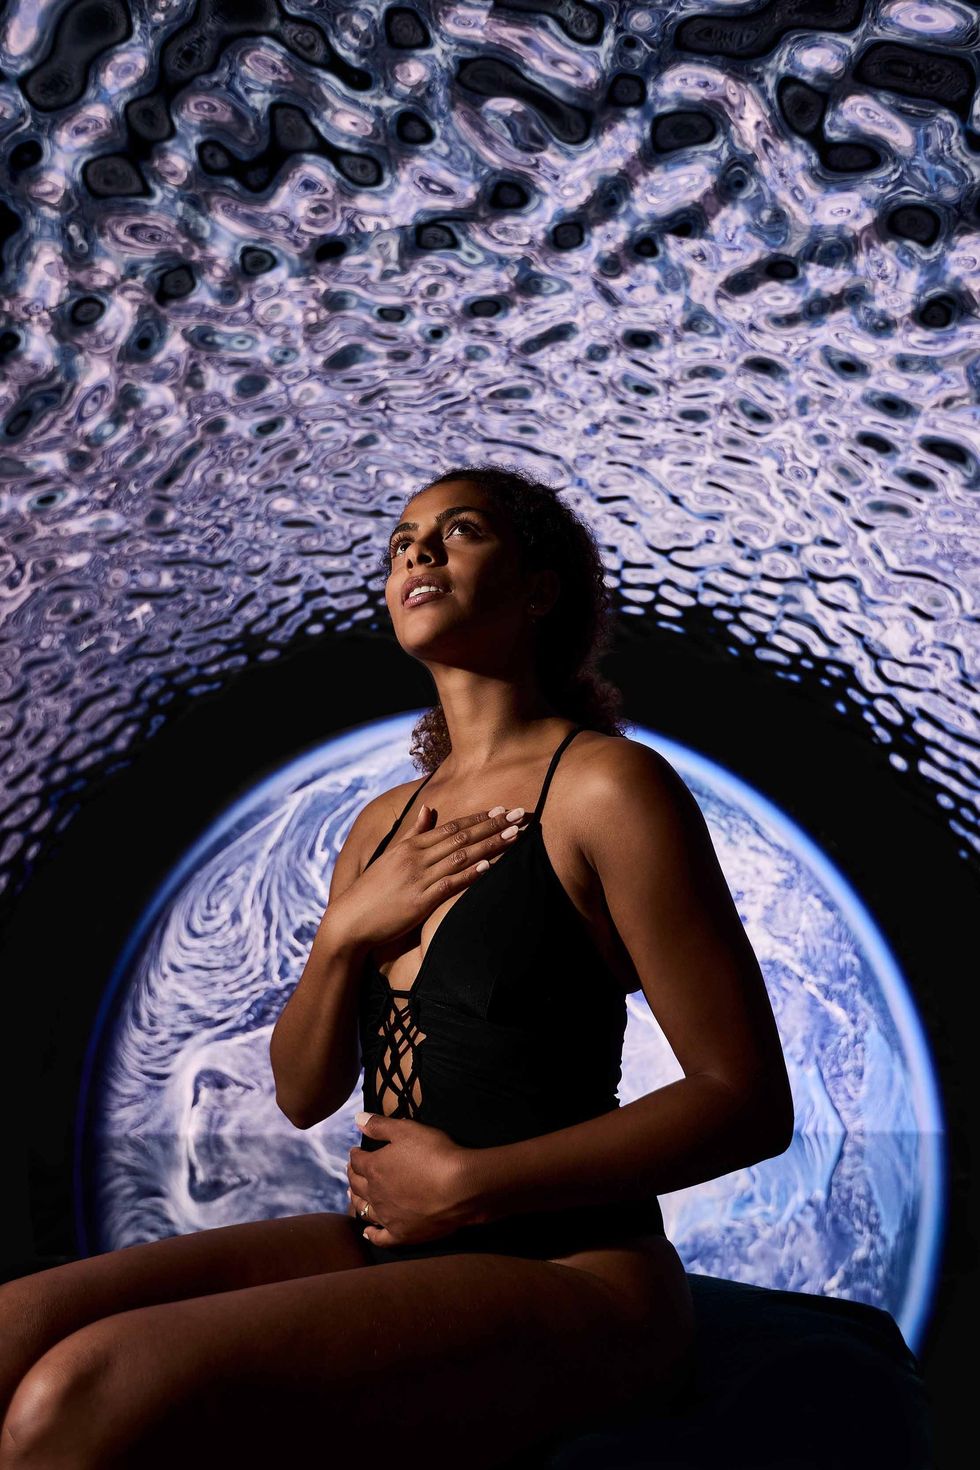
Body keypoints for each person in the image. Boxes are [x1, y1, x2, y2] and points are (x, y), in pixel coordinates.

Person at [0, 465, 794, 1468]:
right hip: (391, 1243)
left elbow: (747, 1101)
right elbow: (300, 1091)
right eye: (402, 541)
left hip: (580, 1275)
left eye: (459, 531)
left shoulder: (605, 786)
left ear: (538, 586)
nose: (418, 551)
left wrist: (471, 1182)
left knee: (77, 1392)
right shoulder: (379, 826)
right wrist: (341, 937)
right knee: (10, 1339)